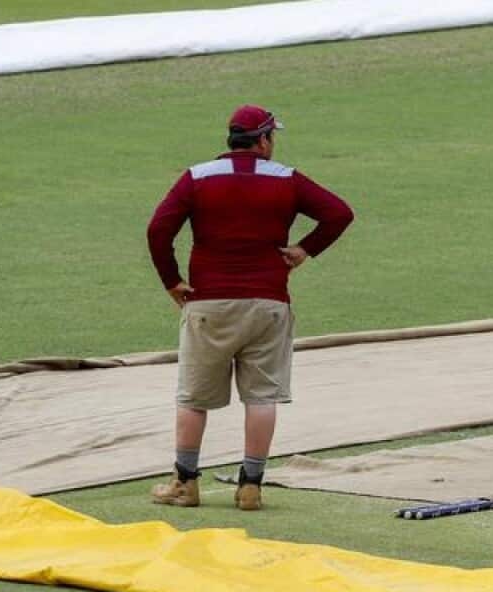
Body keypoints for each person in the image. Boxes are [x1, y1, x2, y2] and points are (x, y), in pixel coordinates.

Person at [145, 104, 353, 510]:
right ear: (262, 140)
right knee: (261, 398)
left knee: (193, 398)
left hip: (208, 302)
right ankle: (251, 485)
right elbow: (338, 213)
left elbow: (158, 230)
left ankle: (185, 483)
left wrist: (172, 280)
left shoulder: (197, 177)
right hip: (268, 302)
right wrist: (303, 250)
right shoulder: (287, 179)